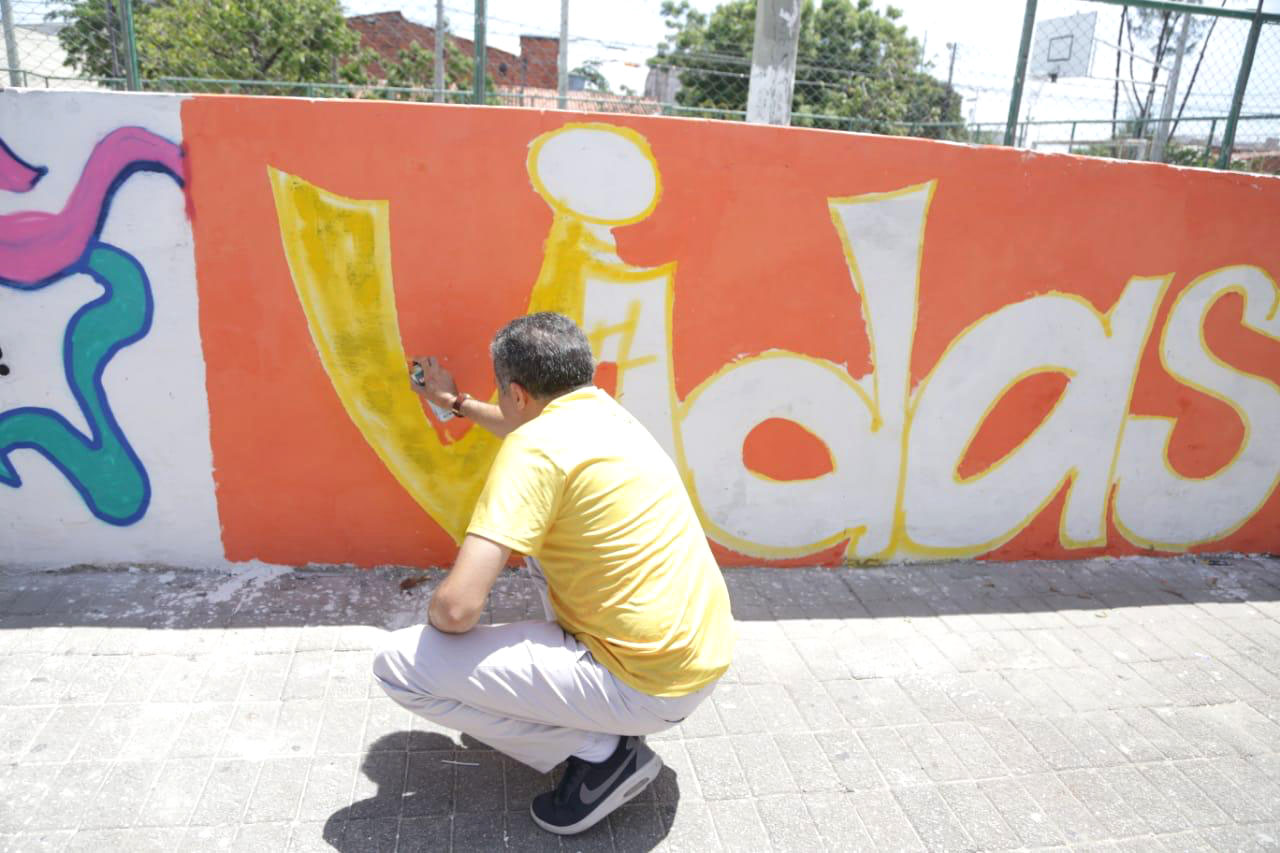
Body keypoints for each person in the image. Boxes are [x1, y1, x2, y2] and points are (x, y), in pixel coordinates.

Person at [373, 311, 734, 836]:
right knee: (552, 542)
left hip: (648, 686)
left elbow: (457, 610)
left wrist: (440, 630)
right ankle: (602, 720)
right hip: (699, 656)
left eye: (503, 394)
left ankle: (604, 751)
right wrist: (455, 402)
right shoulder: (606, 414)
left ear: (517, 393)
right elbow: (522, 422)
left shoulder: (533, 450)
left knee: (398, 664)